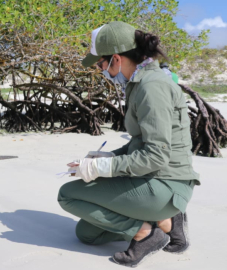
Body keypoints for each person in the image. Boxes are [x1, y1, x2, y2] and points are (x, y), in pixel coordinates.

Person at [57, 21, 200, 267]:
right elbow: (138, 143)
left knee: (67, 195)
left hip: (165, 183)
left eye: (101, 64)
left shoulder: (151, 87)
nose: (101, 71)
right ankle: (165, 223)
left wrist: (101, 170)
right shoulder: (138, 83)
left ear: (116, 59)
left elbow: (155, 157)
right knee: (87, 234)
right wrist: (105, 158)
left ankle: (146, 233)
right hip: (151, 179)